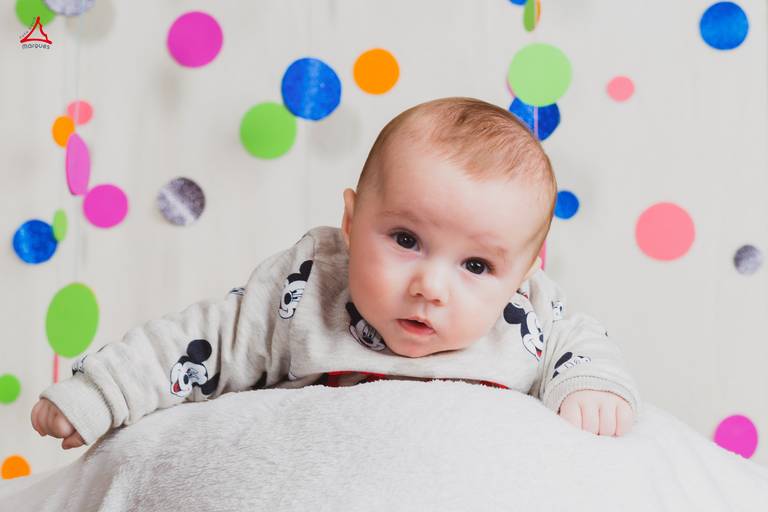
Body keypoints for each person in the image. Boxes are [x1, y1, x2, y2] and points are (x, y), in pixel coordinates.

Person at [31, 97, 639, 450]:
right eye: (405, 239)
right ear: (350, 221)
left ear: (523, 274)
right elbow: (204, 341)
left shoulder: (526, 317)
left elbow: (583, 348)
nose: (431, 286)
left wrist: (592, 390)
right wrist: (102, 392)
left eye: (476, 265)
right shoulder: (306, 292)